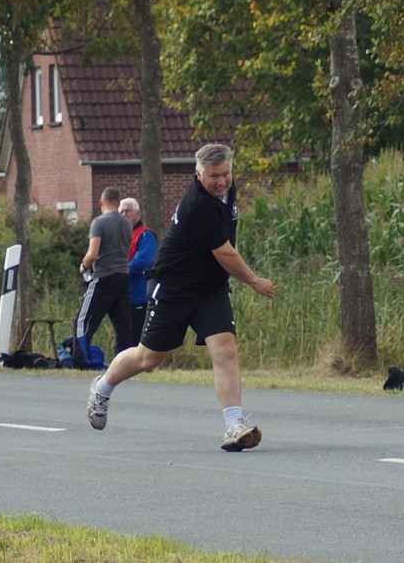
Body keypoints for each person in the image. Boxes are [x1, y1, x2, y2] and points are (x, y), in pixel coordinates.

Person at [86, 144, 275, 452]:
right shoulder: (197, 205)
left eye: (226, 174)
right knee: (148, 358)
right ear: (198, 174)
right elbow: (225, 253)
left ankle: (234, 426)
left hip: (210, 288)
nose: (222, 181)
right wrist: (255, 281)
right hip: (173, 288)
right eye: (213, 176)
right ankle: (102, 387)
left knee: (225, 349)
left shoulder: (227, 189)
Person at [73, 187, 133, 366]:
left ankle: (81, 360)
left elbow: (92, 254)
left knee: (82, 321)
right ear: (118, 201)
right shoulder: (126, 224)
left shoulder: (99, 222)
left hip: (104, 276)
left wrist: (84, 266)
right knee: (123, 324)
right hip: (123, 275)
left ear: (101, 202)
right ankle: (123, 363)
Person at [119, 197, 157, 342]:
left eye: (128, 211)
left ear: (137, 214)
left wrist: (119, 269)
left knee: (137, 338)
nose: (124, 214)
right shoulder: (121, 235)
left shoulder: (145, 235)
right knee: (124, 338)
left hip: (139, 295)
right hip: (123, 295)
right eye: (121, 212)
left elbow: (143, 262)